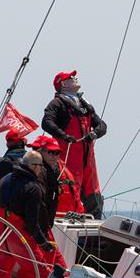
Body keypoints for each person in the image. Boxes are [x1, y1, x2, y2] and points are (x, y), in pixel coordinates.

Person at [42, 70, 106, 218]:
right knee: (69, 189)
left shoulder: (85, 104)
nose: (75, 78)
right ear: (63, 84)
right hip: (67, 156)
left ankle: (94, 225)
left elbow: (102, 125)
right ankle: (66, 221)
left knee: (93, 193)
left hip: (87, 158)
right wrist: (63, 135)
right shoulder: (57, 103)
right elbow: (46, 123)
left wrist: (94, 133)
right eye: (71, 78)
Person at [28, 135, 86, 215]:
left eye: (57, 153)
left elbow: (73, 193)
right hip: (57, 217)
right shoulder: (37, 171)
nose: (54, 156)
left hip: (70, 216)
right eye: (51, 152)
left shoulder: (59, 168)